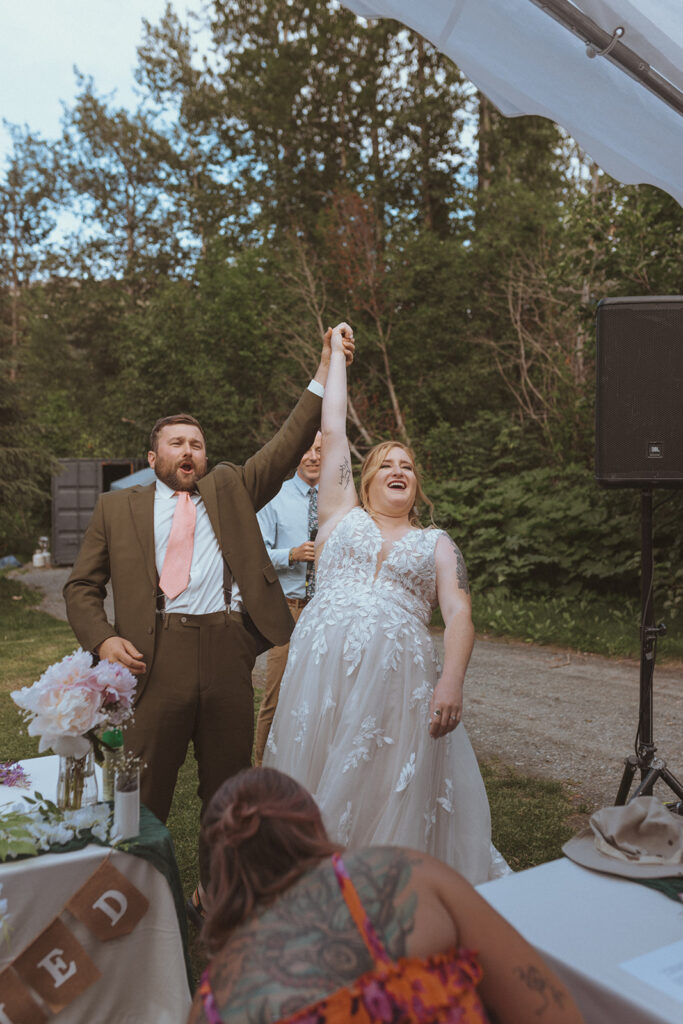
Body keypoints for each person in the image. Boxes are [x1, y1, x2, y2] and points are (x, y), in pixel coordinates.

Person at [63, 332, 354, 903]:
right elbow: (81, 587)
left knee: (228, 792)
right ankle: (136, 902)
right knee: (144, 789)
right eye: (176, 443)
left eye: (195, 442)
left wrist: (324, 369)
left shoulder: (230, 488)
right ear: (154, 458)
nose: (189, 451)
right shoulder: (116, 508)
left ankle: (218, 899)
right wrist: (104, 641)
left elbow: (288, 440)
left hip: (225, 652)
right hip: (154, 655)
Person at [264, 323, 506, 884]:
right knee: (316, 771)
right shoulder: (339, 513)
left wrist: (452, 680)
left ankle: (377, 890)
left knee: (378, 780)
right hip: (320, 672)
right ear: (365, 478)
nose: (399, 470)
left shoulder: (436, 542)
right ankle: (305, 883)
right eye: (387, 464)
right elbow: (333, 422)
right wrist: (334, 358)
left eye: (409, 466)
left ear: (417, 486)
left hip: (397, 681)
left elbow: (461, 613)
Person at [188, 767, 584, 1024]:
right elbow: (550, 1012)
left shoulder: (211, 1004)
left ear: (216, 880)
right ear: (312, 826)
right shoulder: (403, 875)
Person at [253, 432, 321, 766]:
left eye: (320, 450)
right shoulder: (275, 498)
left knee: (324, 695)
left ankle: (308, 770)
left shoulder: (338, 501)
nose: (313, 456)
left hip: (327, 612)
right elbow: (254, 555)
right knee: (277, 697)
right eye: (307, 448)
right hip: (288, 611)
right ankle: (261, 770)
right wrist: (291, 554)